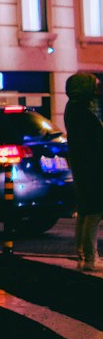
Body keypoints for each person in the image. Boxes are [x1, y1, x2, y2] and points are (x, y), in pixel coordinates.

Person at [64, 72, 103, 272]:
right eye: (93, 85)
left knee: (86, 211)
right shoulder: (83, 113)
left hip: (82, 167)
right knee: (94, 212)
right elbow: (94, 145)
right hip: (92, 169)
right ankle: (90, 257)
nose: (96, 89)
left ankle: (82, 253)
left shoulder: (73, 109)